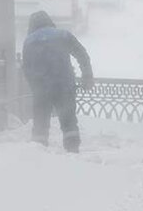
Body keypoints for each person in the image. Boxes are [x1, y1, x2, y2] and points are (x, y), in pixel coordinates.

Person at [22, 11, 94, 153]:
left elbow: (26, 68)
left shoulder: (28, 41)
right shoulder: (62, 35)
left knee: (40, 125)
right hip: (64, 86)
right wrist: (87, 76)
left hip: (41, 89)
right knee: (68, 122)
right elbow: (82, 54)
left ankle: (38, 154)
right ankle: (72, 151)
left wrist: (34, 87)